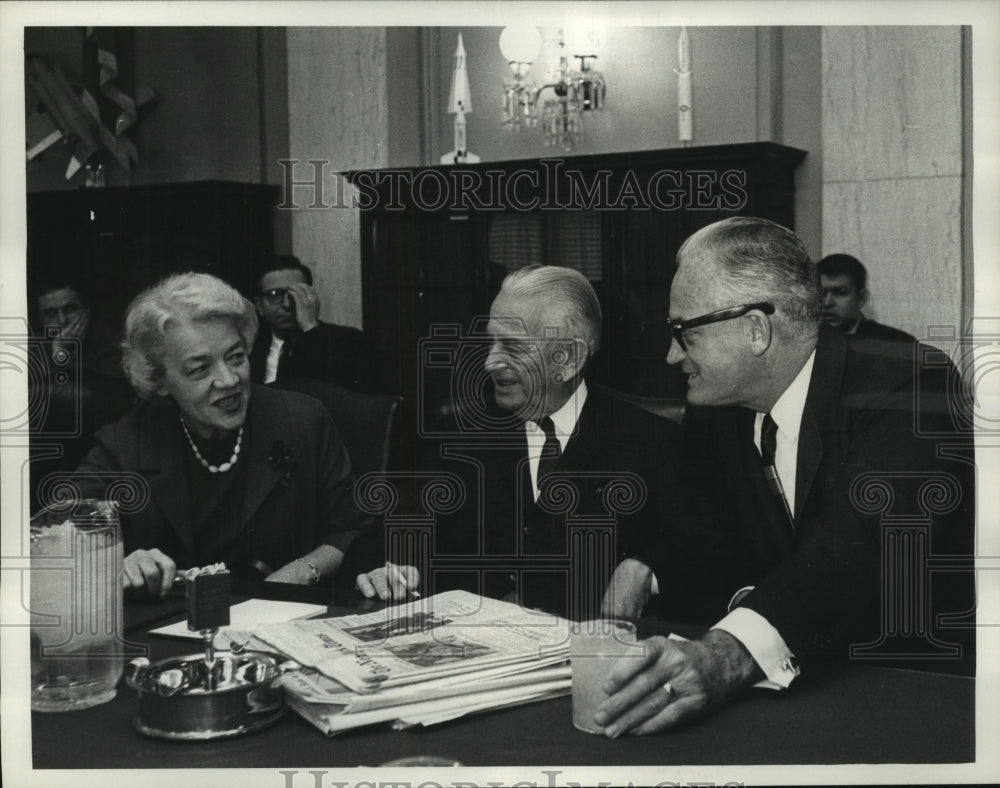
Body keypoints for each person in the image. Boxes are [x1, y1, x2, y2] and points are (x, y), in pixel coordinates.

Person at [597, 217, 974, 736]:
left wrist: (727, 654)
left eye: (685, 332)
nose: (671, 354)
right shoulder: (720, 407)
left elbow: (856, 549)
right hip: (791, 691)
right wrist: (645, 567)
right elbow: (709, 532)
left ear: (756, 330)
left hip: (915, 692)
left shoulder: (910, 383)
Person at [354, 265, 679, 620]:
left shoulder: (652, 442)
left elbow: (693, 550)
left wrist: (645, 567)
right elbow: (389, 535)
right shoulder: (459, 435)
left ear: (569, 359)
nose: (490, 361)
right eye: (492, 342)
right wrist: (390, 569)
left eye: (512, 346)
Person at [70, 272, 373, 595]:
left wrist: (302, 571)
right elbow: (56, 534)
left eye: (236, 357)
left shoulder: (302, 420)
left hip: (283, 615)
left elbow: (353, 529)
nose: (229, 380)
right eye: (200, 369)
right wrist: (115, 562)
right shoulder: (126, 444)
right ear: (158, 380)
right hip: (175, 621)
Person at [29, 280, 134, 509]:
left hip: (97, 453)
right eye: (50, 314)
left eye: (70, 309)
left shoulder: (111, 343)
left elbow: (100, 405)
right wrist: (58, 355)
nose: (62, 320)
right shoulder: (33, 350)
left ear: (86, 310)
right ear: (40, 319)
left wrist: (62, 359)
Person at [249, 255, 371, 391]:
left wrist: (310, 327)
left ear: (311, 297)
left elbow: (339, 394)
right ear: (259, 306)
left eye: (297, 293)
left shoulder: (349, 340)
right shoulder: (250, 347)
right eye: (275, 294)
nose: (287, 304)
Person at [818, 253, 916, 341]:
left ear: (861, 298)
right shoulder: (808, 343)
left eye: (841, 293)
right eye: (821, 293)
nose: (827, 303)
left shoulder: (898, 343)